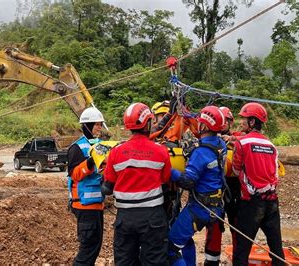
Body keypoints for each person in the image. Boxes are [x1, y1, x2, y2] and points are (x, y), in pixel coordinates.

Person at [103, 102, 172, 266]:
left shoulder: (116, 152)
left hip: (125, 218)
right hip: (153, 217)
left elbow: (108, 186)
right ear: (148, 123)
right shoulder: (161, 151)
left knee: (125, 261)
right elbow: (165, 182)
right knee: (154, 261)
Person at [168, 105, 227, 266]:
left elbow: (188, 181)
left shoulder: (200, 152)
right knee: (185, 240)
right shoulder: (221, 144)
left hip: (199, 208)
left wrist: (169, 169)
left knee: (170, 248)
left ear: (205, 126)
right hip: (215, 207)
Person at [231, 102, 285, 266]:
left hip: (251, 204)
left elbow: (235, 170)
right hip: (272, 202)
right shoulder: (272, 146)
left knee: (242, 250)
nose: (241, 123)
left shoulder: (241, 144)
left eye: (244, 119)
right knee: (277, 249)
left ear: (252, 122)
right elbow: (275, 173)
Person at [203, 106, 242, 266]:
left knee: (236, 225)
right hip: (216, 189)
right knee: (214, 226)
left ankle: (239, 259)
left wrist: (232, 140)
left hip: (234, 190)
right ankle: (211, 261)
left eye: (227, 120)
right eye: (222, 120)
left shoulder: (238, 137)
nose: (224, 123)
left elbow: (245, 138)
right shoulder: (210, 139)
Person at [67, 106, 107, 266]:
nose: (99, 128)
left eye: (100, 124)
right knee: (89, 247)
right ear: (87, 125)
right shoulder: (77, 148)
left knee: (94, 246)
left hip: (97, 205)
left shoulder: (101, 145)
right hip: (84, 205)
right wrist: (90, 162)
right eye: (97, 124)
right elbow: (75, 174)